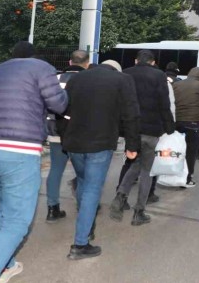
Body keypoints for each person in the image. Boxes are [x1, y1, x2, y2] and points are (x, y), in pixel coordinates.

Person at [0, 40, 68, 283]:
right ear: (33, 56)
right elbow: (59, 104)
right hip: (19, 150)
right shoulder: (41, 68)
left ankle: (7, 265)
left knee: (4, 208)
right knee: (17, 221)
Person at [62, 60, 139, 259]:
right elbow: (131, 114)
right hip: (101, 143)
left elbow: (64, 110)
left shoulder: (76, 79)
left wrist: (65, 138)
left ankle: (86, 224)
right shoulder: (122, 80)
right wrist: (132, 146)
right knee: (92, 189)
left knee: (83, 183)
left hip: (74, 143)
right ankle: (80, 244)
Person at [110, 51, 173, 226]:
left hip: (132, 129)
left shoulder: (126, 73)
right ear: (153, 62)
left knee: (135, 163)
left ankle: (121, 195)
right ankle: (139, 211)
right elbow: (164, 103)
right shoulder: (159, 75)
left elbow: (119, 102)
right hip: (152, 130)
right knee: (146, 170)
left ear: (136, 61)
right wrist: (169, 127)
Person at [45, 49, 89, 223]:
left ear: (70, 62)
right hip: (78, 132)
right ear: (87, 63)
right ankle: (83, 206)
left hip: (55, 129)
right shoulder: (88, 79)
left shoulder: (55, 79)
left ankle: (52, 208)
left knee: (56, 169)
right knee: (83, 172)